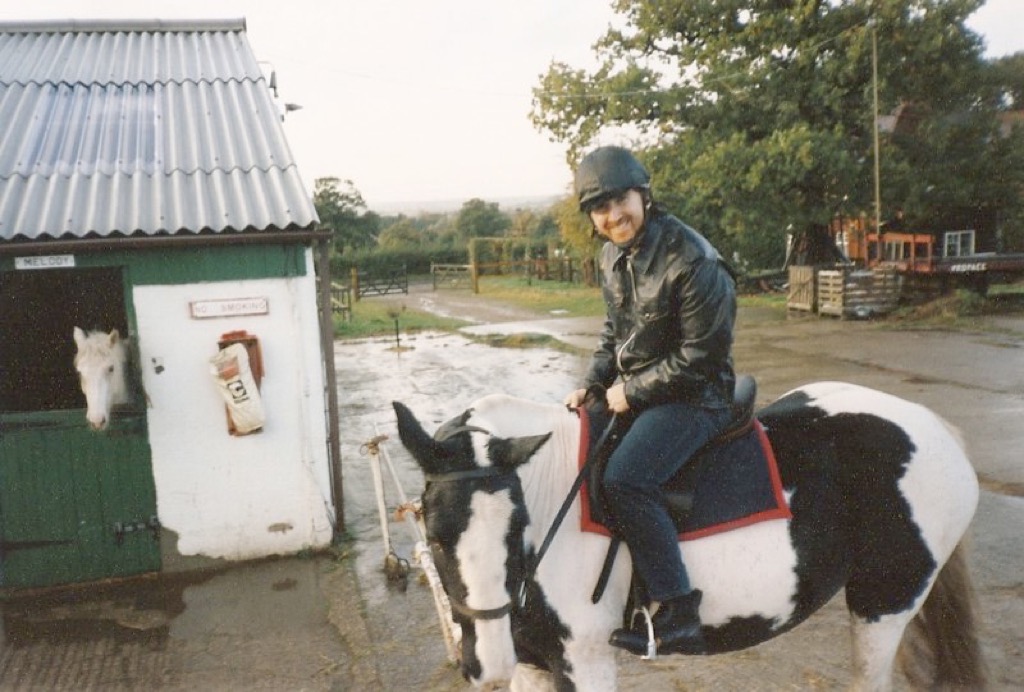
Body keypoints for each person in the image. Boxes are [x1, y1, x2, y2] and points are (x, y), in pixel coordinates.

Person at [564, 146, 737, 655]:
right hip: (642, 390)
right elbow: (615, 333)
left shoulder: (694, 261)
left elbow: (702, 356)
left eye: (621, 200)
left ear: (643, 194)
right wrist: (593, 383)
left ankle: (679, 608)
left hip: (699, 396)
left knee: (626, 478)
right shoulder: (611, 256)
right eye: (600, 208)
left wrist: (631, 391)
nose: (613, 216)